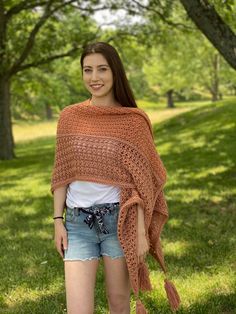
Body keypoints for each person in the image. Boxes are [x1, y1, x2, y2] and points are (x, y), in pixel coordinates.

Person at [51, 42, 180, 314]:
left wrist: (141, 230)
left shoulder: (133, 121)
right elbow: (62, 173)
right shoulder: (69, 117)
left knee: (119, 304)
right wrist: (57, 222)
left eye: (102, 69)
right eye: (87, 70)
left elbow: (143, 183)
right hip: (77, 224)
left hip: (119, 221)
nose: (94, 78)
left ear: (115, 72)